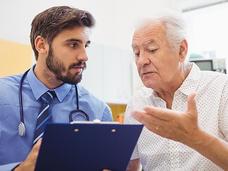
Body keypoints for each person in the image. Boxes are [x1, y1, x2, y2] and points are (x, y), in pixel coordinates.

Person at [0, 6, 112, 170]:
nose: (84, 56)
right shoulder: (2, 95)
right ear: (41, 45)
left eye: (85, 45)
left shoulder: (98, 111)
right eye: (73, 44)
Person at [125, 12, 228, 171]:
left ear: (181, 50)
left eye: (151, 50)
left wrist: (196, 137)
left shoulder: (221, 89)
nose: (141, 61)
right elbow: (129, 167)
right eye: (137, 53)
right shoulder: (137, 104)